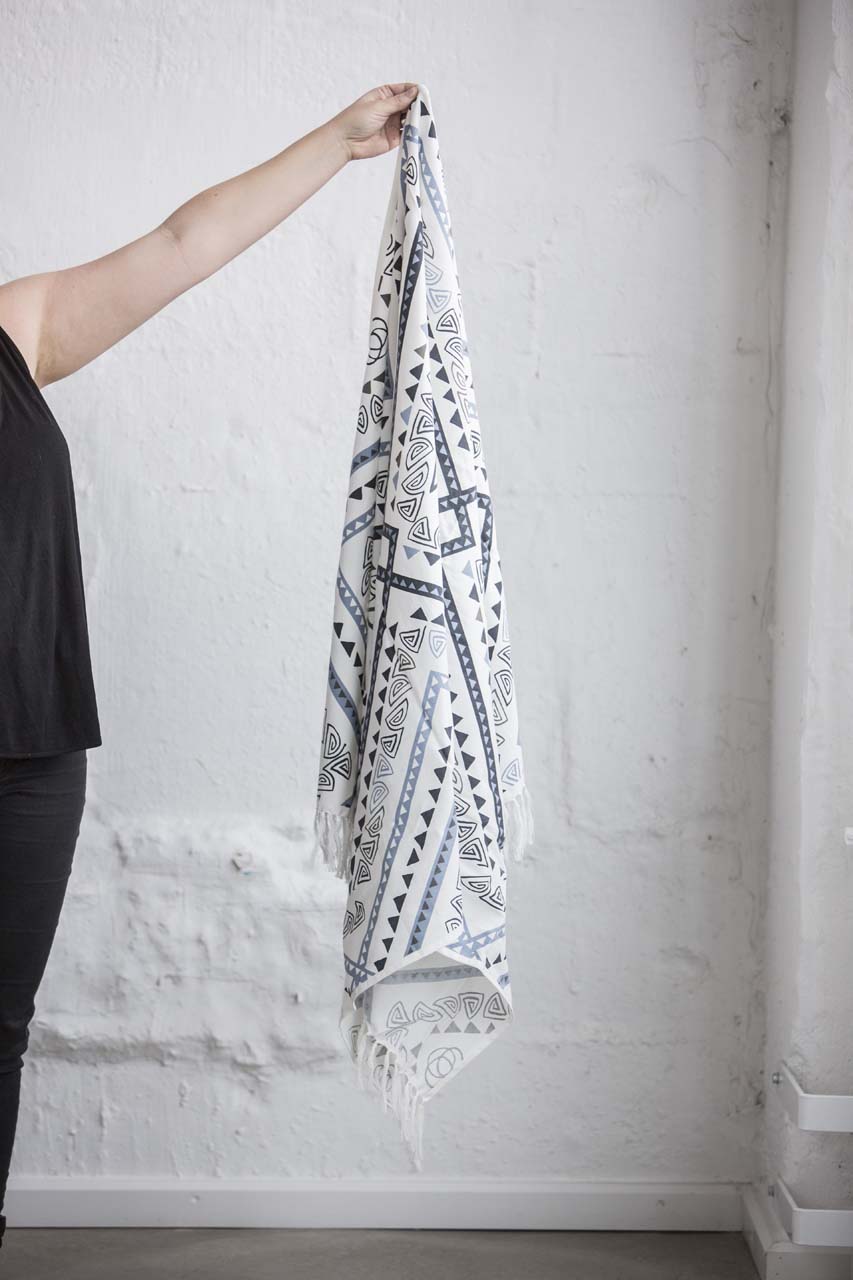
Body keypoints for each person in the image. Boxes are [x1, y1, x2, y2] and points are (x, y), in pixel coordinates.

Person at [0, 81, 420, 1248]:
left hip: (33, 757)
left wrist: (336, 142)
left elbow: (185, 243)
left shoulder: (17, 327)